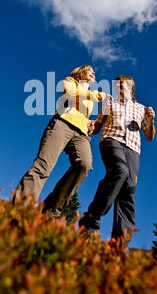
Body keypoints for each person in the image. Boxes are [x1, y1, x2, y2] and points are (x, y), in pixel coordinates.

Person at [11, 65, 107, 218]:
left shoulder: (89, 98)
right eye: (89, 70)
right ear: (80, 73)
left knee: (85, 164)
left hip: (81, 134)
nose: (93, 72)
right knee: (43, 166)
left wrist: (90, 125)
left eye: (93, 71)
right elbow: (70, 95)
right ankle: (20, 211)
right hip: (62, 124)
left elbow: (81, 116)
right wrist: (96, 95)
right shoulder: (71, 82)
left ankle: (50, 211)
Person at [79, 75, 155, 241]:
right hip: (112, 140)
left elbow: (149, 135)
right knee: (120, 171)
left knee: (128, 190)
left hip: (133, 149)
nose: (120, 85)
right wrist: (85, 125)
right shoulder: (110, 102)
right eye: (118, 83)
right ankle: (91, 219)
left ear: (132, 87)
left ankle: (119, 246)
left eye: (124, 83)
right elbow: (98, 125)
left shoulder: (141, 108)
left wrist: (151, 120)